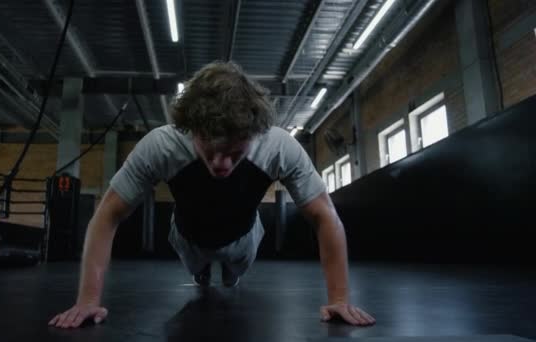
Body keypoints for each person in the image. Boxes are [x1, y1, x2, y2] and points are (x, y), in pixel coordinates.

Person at [48, 61, 376, 329]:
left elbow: (324, 215)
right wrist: (88, 301)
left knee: (232, 279)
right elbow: (106, 216)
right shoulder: (161, 145)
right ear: (190, 128)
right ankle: (202, 269)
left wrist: (339, 298)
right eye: (211, 148)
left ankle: (227, 271)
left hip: (244, 238)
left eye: (234, 153)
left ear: (254, 135)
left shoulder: (278, 146)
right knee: (199, 274)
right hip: (187, 236)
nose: (221, 165)